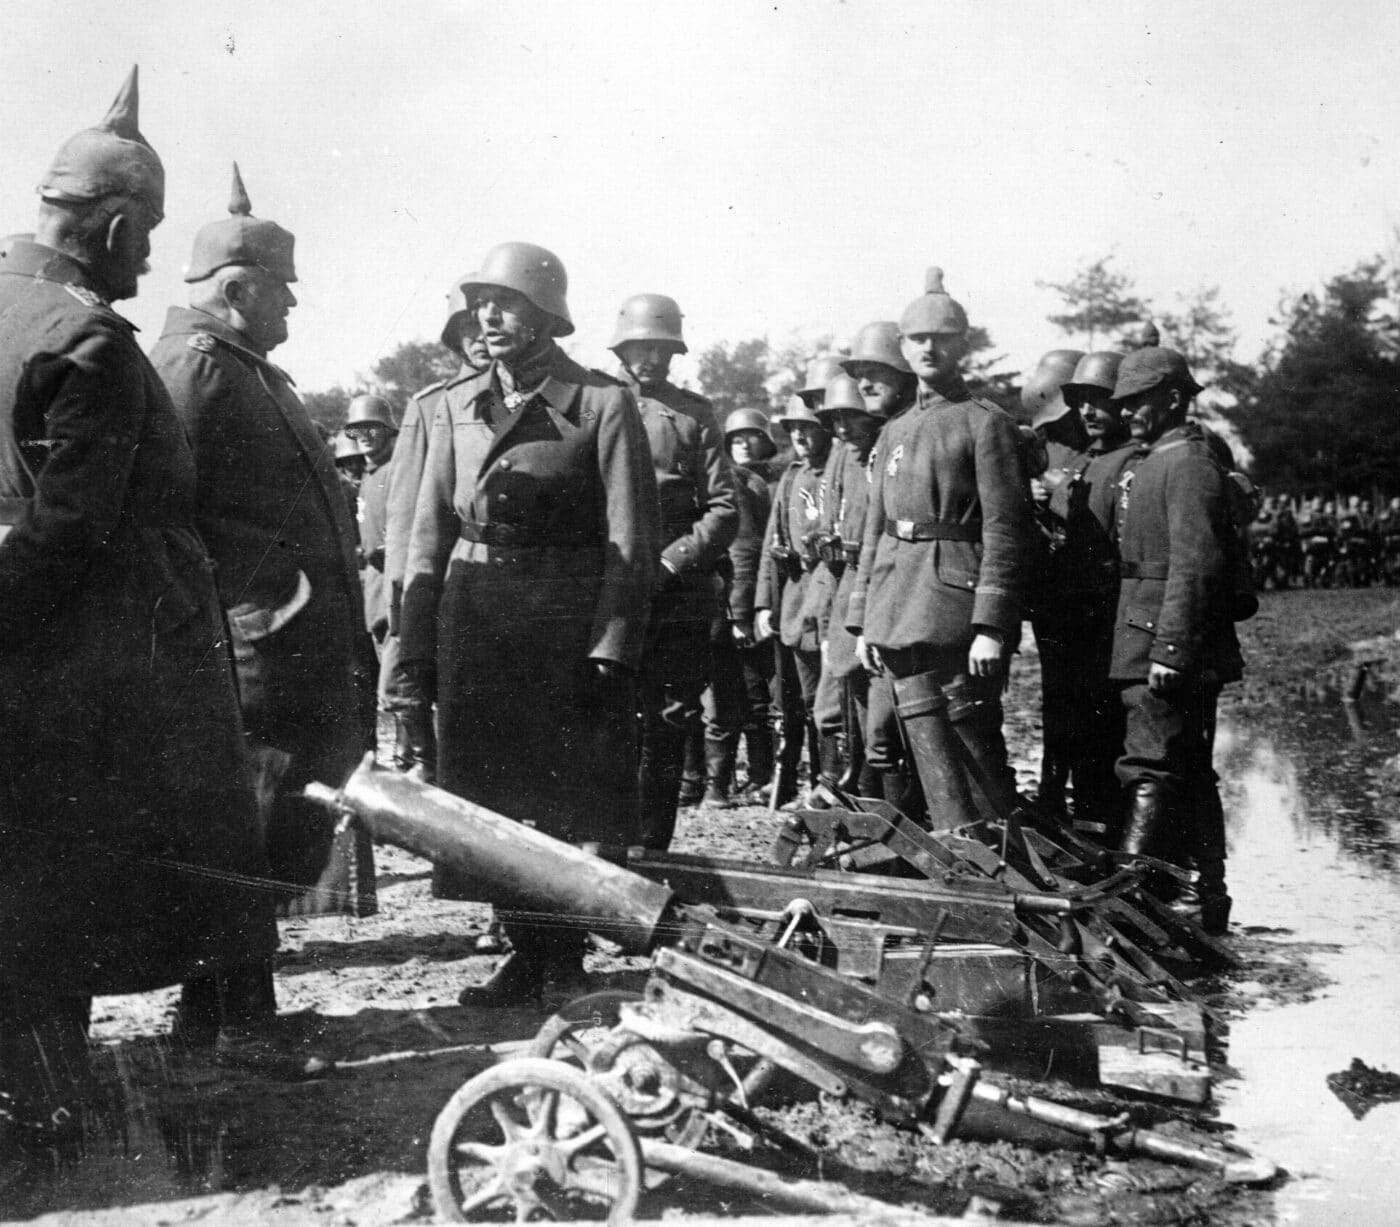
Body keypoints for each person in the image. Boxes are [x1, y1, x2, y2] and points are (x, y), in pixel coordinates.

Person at [0, 68, 277, 1151]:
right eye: (147, 233)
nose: (152, 257)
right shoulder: (92, 342)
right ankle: (49, 1111)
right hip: (76, 666)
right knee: (60, 897)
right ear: (111, 224)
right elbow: (74, 532)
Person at [150, 163, 378, 1041]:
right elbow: (162, 521)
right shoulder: (195, 371)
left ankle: (225, 1012)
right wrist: (246, 614)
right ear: (237, 289)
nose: (291, 308)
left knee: (270, 833)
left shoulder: (249, 370)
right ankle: (234, 1019)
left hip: (282, 658)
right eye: (281, 291)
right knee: (239, 838)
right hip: (245, 661)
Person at [399, 242, 659, 1006]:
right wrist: (418, 645)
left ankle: (565, 955)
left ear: (547, 314)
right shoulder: (450, 403)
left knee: (566, 795)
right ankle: (522, 947)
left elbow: (632, 540)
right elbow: (425, 532)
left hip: (563, 627)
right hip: (474, 622)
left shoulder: (603, 404)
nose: (489, 314)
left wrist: (611, 643)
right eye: (481, 300)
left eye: (507, 302)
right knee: (488, 798)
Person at [849, 269, 1032, 825]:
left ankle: (999, 860)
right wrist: (864, 621)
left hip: (956, 608)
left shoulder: (985, 424)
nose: (929, 347)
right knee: (902, 740)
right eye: (918, 339)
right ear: (903, 348)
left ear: (963, 345)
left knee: (970, 738)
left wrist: (992, 625)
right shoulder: (893, 431)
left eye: (942, 337)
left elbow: (1006, 528)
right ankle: (935, 863)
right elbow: (875, 532)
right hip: (897, 605)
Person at [1107, 347, 1246, 934]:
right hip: (1148, 631)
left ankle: (1133, 898)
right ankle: (1202, 895)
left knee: (1152, 767)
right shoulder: (1157, 460)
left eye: (1137, 401)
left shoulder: (1187, 463)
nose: (1128, 412)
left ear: (1169, 398)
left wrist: (1171, 650)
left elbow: (1196, 564)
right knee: (1185, 767)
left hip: (1163, 643)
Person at [610, 294, 737, 846]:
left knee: (667, 722)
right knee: (607, 718)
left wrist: (672, 561)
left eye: (663, 349)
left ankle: (652, 849)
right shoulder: (594, 406)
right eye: (642, 346)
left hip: (676, 590)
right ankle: (605, 849)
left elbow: (724, 506)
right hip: (607, 582)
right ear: (623, 347)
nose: (652, 358)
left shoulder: (694, 415)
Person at [380, 274, 489, 780]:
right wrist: (401, 602)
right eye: (466, 326)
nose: (481, 335)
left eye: (485, 323)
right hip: (446, 583)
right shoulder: (429, 405)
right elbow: (406, 515)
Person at [1035, 351, 1135, 836]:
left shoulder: (1134, 462)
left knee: (1103, 733)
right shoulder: (1087, 462)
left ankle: (1108, 832)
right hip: (1072, 616)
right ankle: (1080, 821)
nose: (1090, 412)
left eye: (1101, 401)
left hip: (1109, 618)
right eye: (1082, 402)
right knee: (1069, 720)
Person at [837, 321, 919, 810]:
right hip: (886, 608)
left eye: (877, 372)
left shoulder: (914, 432)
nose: (864, 383)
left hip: (922, 606)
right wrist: (864, 616)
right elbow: (873, 537)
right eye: (859, 372)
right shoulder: (883, 439)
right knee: (882, 731)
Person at [808, 371, 892, 799]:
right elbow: (828, 522)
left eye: (852, 418)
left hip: (881, 580)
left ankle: (874, 791)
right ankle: (844, 786)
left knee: (878, 706)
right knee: (839, 693)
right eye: (836, 420)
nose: (842, 429)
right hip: (844, 581)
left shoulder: (886, 450)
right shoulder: (842, 456)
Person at [755, 395, 837, 807]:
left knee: (831, 702)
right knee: (799, 703)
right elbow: (773, 545)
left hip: (831, 601)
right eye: (793, 428)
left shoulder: (839, 471)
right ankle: (805, 783)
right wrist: (764, 604)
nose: (801, 436)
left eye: (809, 427)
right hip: (796, 600)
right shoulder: (791, 477)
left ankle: (832, 785)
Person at [1020, 348, 1086, 819]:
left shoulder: (1097, 443)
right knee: (1057, 694)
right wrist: (1030, 493)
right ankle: (1051, 789)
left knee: (1092, 698)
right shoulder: (1037, 444)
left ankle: (1086, 791)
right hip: (1053, 589)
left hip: (1092, 588)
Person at [701, 409, 778, 802]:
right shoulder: (735, 483)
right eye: (736, 438)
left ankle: (749, 780)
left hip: (756, 603)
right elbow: (744, 553)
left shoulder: (763, 483)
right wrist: (742, 616)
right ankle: (731, 782)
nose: (744, 443)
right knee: (741, 697)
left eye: (752, 437)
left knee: (749, 697)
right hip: (736, 608)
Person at [345, 393, 398, 657]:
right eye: (356, 429)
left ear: (388, 430)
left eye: (372, 427)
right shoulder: (368, 475)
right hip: (376, 584)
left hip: (396, 584)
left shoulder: (398, 471)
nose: (364, 435)